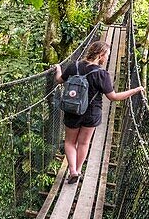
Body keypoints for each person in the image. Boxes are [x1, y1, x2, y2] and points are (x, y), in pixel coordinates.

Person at [54, 40, 143, 184]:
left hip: (72, 109)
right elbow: (113, 97)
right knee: (83, 143)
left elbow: (59, 80)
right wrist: (135, 90)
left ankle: (72, 171)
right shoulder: (102, 74)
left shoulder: (73, 66)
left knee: (70, 142)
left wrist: (58, 68)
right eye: (106, 55)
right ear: (100, 55)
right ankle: (78, 170)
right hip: (92, 113)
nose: (107, 58)